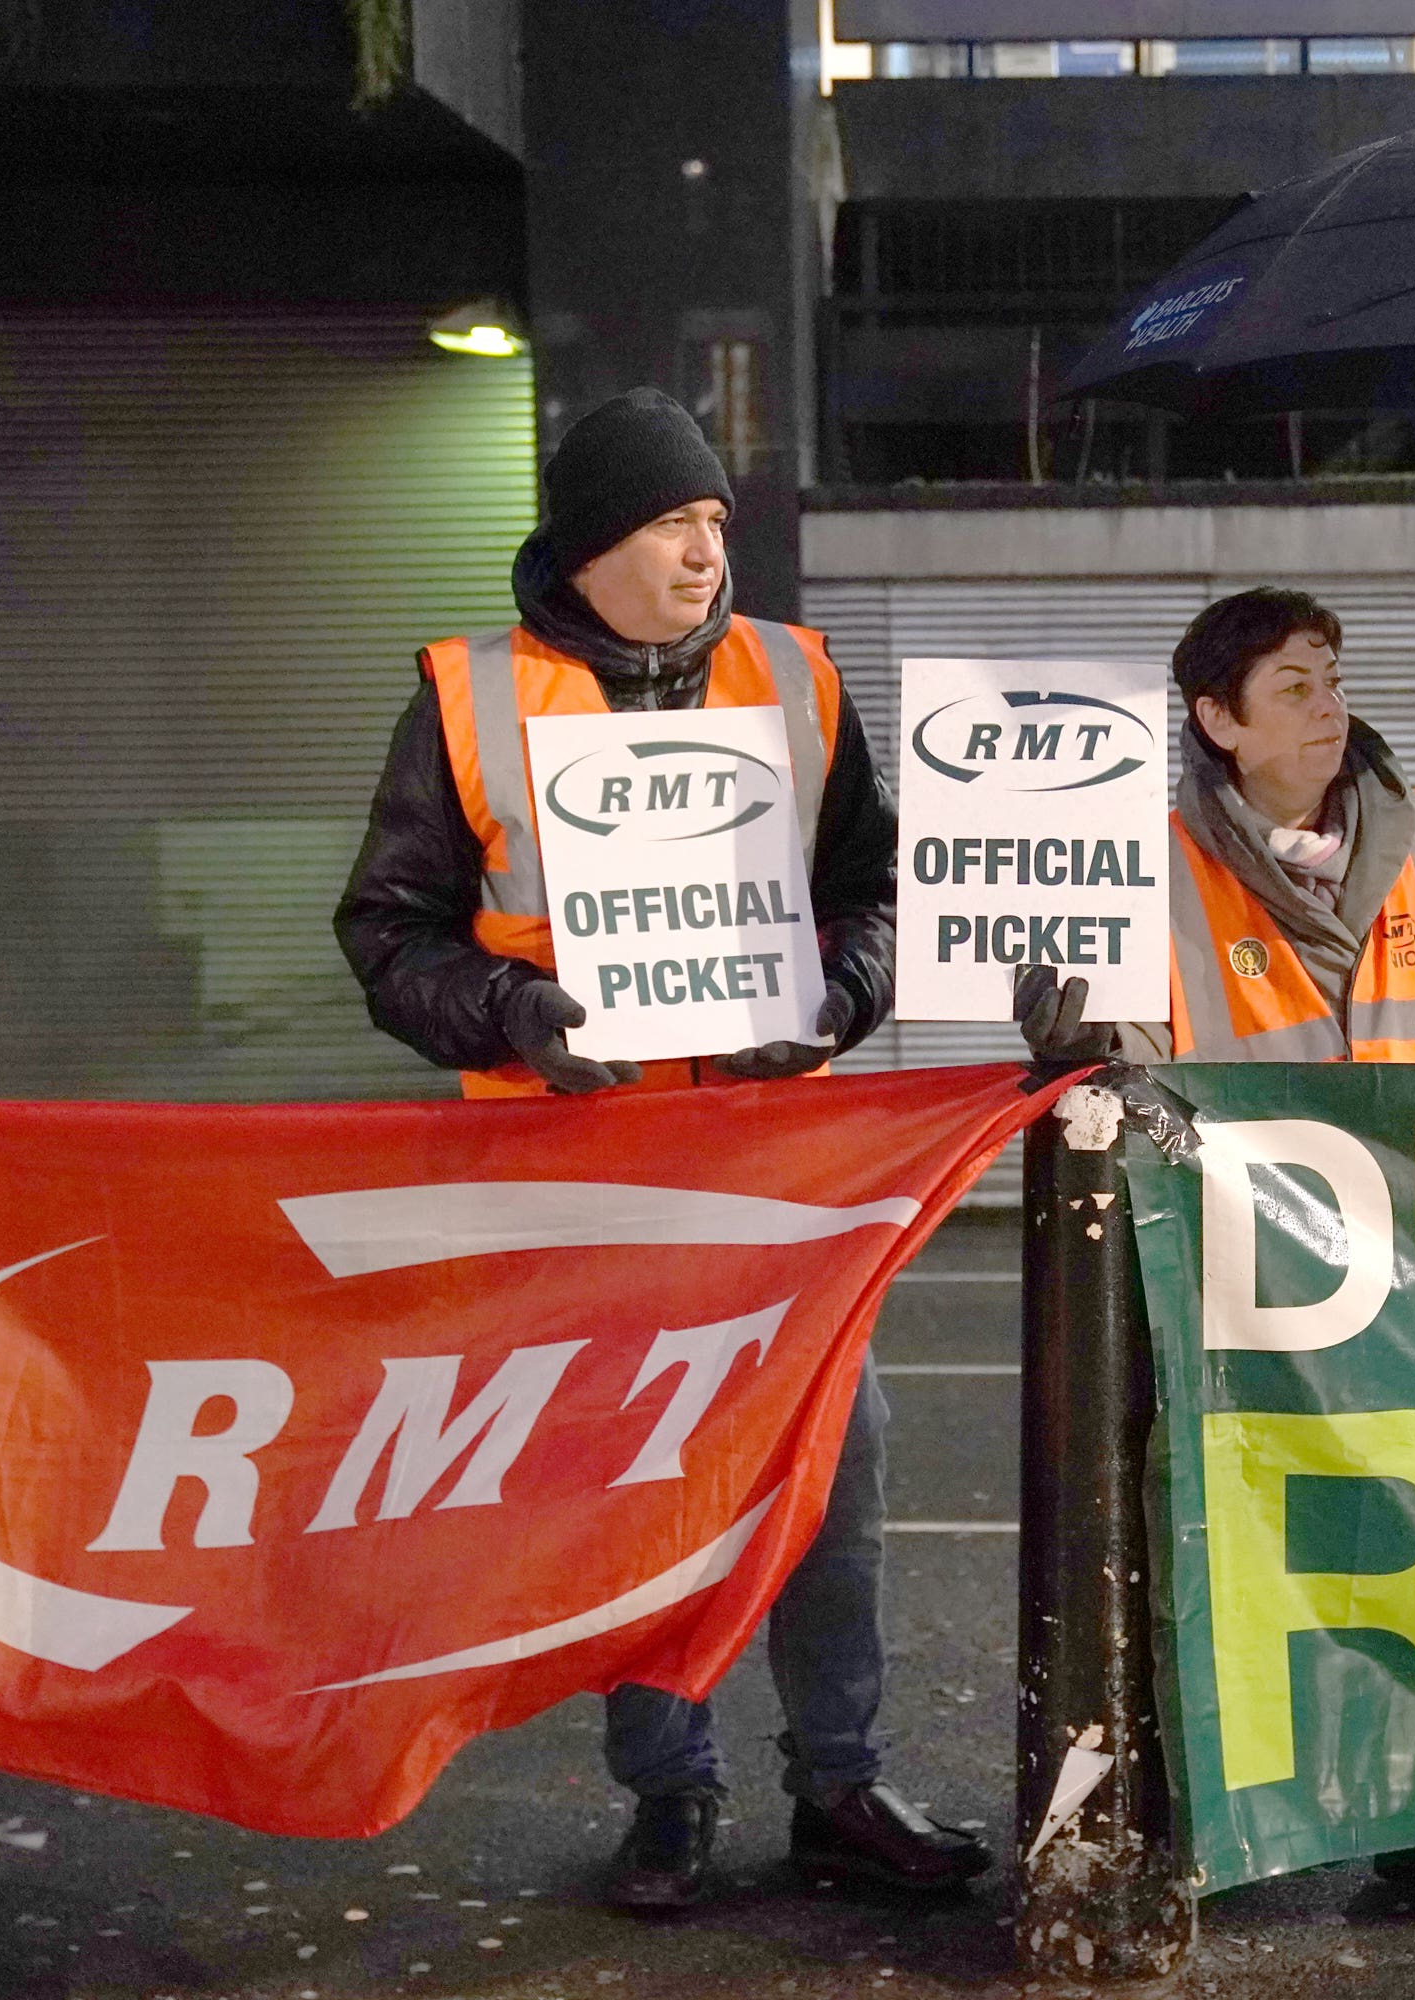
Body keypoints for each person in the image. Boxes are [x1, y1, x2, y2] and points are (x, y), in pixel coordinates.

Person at [333, 389, 985, 1913]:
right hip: (584, 1176)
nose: (707, 552)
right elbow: (386, 934)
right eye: (673, 523)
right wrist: (511, 1012)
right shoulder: (464, 698)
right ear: (589, 542)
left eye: (714, 524)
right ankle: (670, 1794)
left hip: (781, 1175)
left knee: (836, 1473)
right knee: (636, 1484)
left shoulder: (796, 678)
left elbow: (877, 890)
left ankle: (839, 1779)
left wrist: (839, 996)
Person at [1018, 587, 1415, 1933]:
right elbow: (1124, 1060)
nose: (1329, 710)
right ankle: (1221, 1817)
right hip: (1240, 1261)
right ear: (1217, 720)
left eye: (1332, 679)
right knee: (1232, 1545)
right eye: (1294, 689)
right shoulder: (1142, 862)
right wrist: (1066, 1017)